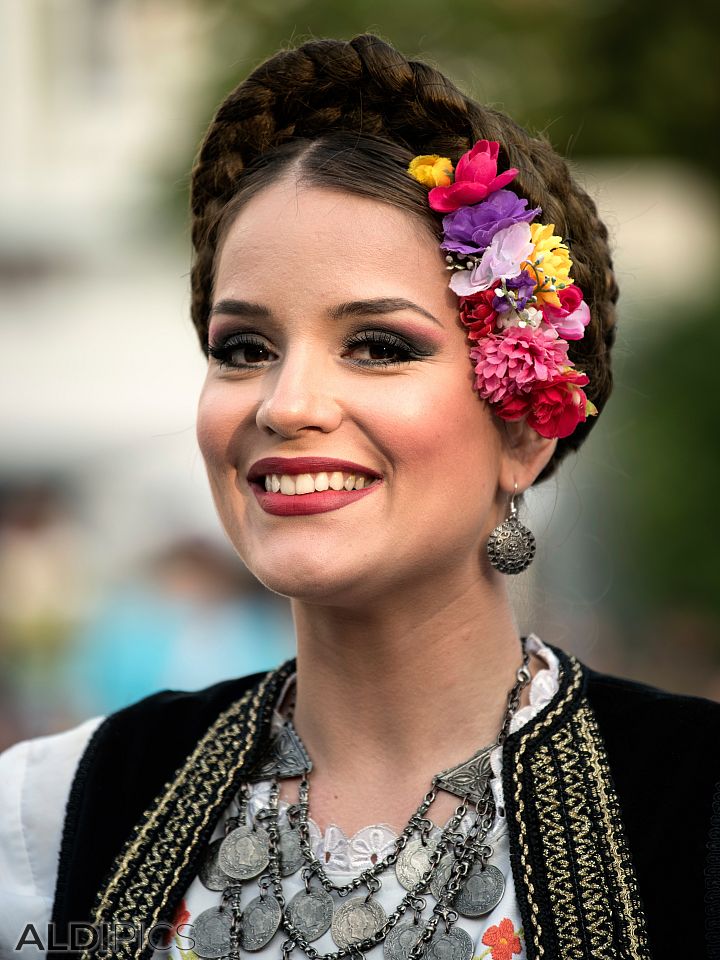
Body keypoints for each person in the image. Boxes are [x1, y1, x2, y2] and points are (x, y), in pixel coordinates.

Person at [0, 33, 718, 960]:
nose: (285, 404)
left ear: (525, 425)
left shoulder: (691, 806)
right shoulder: (54, 815)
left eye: (380, 346)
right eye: (243, 349)